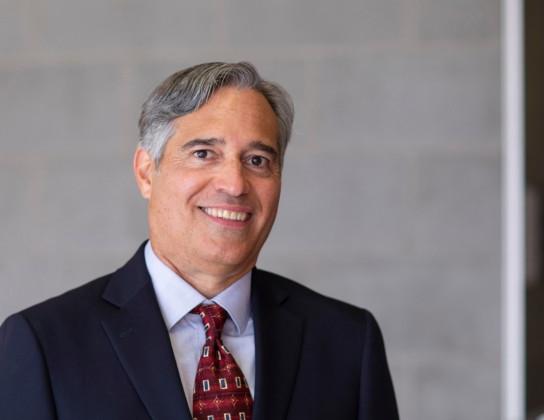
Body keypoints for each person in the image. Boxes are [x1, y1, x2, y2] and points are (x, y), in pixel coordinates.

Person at [0, 62, 399, 420]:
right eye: (204, 153)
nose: (234, 183)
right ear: (145, 172)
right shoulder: (44, 344)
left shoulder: (347, 341)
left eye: (257, 160)